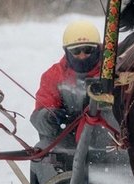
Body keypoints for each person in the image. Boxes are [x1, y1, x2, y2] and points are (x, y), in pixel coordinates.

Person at [30, 20, 104, 152]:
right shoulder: (54, 76)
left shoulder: (117, 70)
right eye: (76, 51)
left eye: (88, 50)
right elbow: (38, 116)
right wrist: (49, 117)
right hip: (69, 147)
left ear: (98, 49)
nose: (82, 56)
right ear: (66, 51)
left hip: (110, 143)